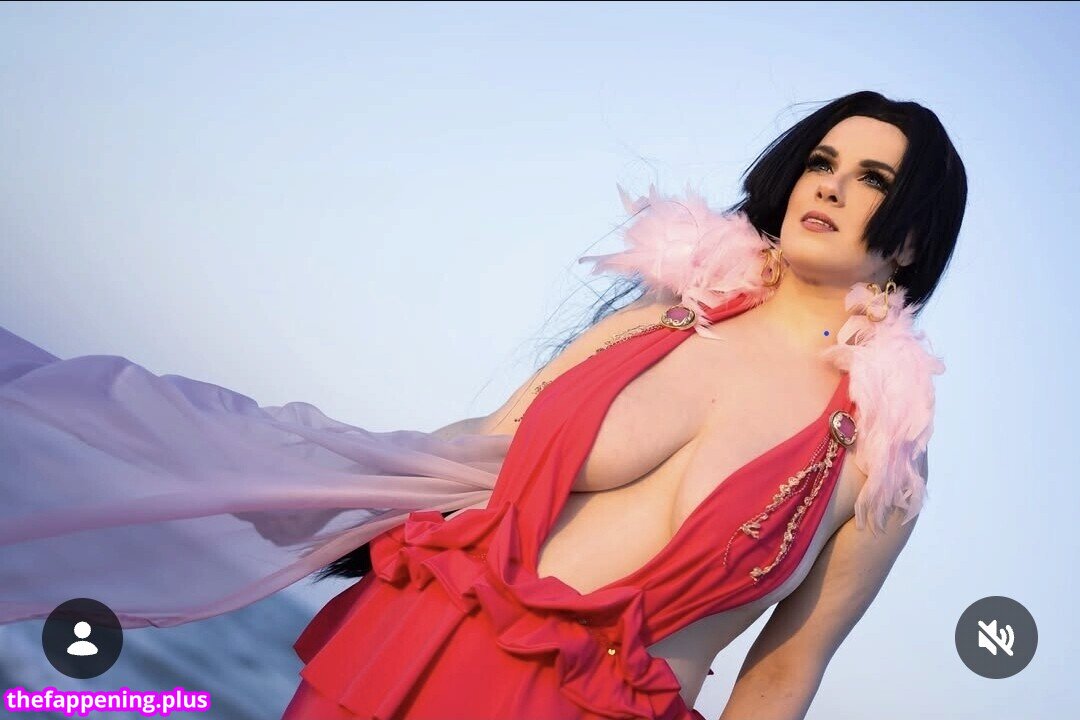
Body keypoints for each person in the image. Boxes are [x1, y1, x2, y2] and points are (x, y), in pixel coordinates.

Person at [0, 89, 965, 720]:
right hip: (424, 647)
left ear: (913, 238)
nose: (830, 186)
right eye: (822, 161)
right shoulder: (667, 320)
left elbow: (785, 671)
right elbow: (484, 449)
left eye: (872, 180)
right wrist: (293, 478)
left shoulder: (879, 460)